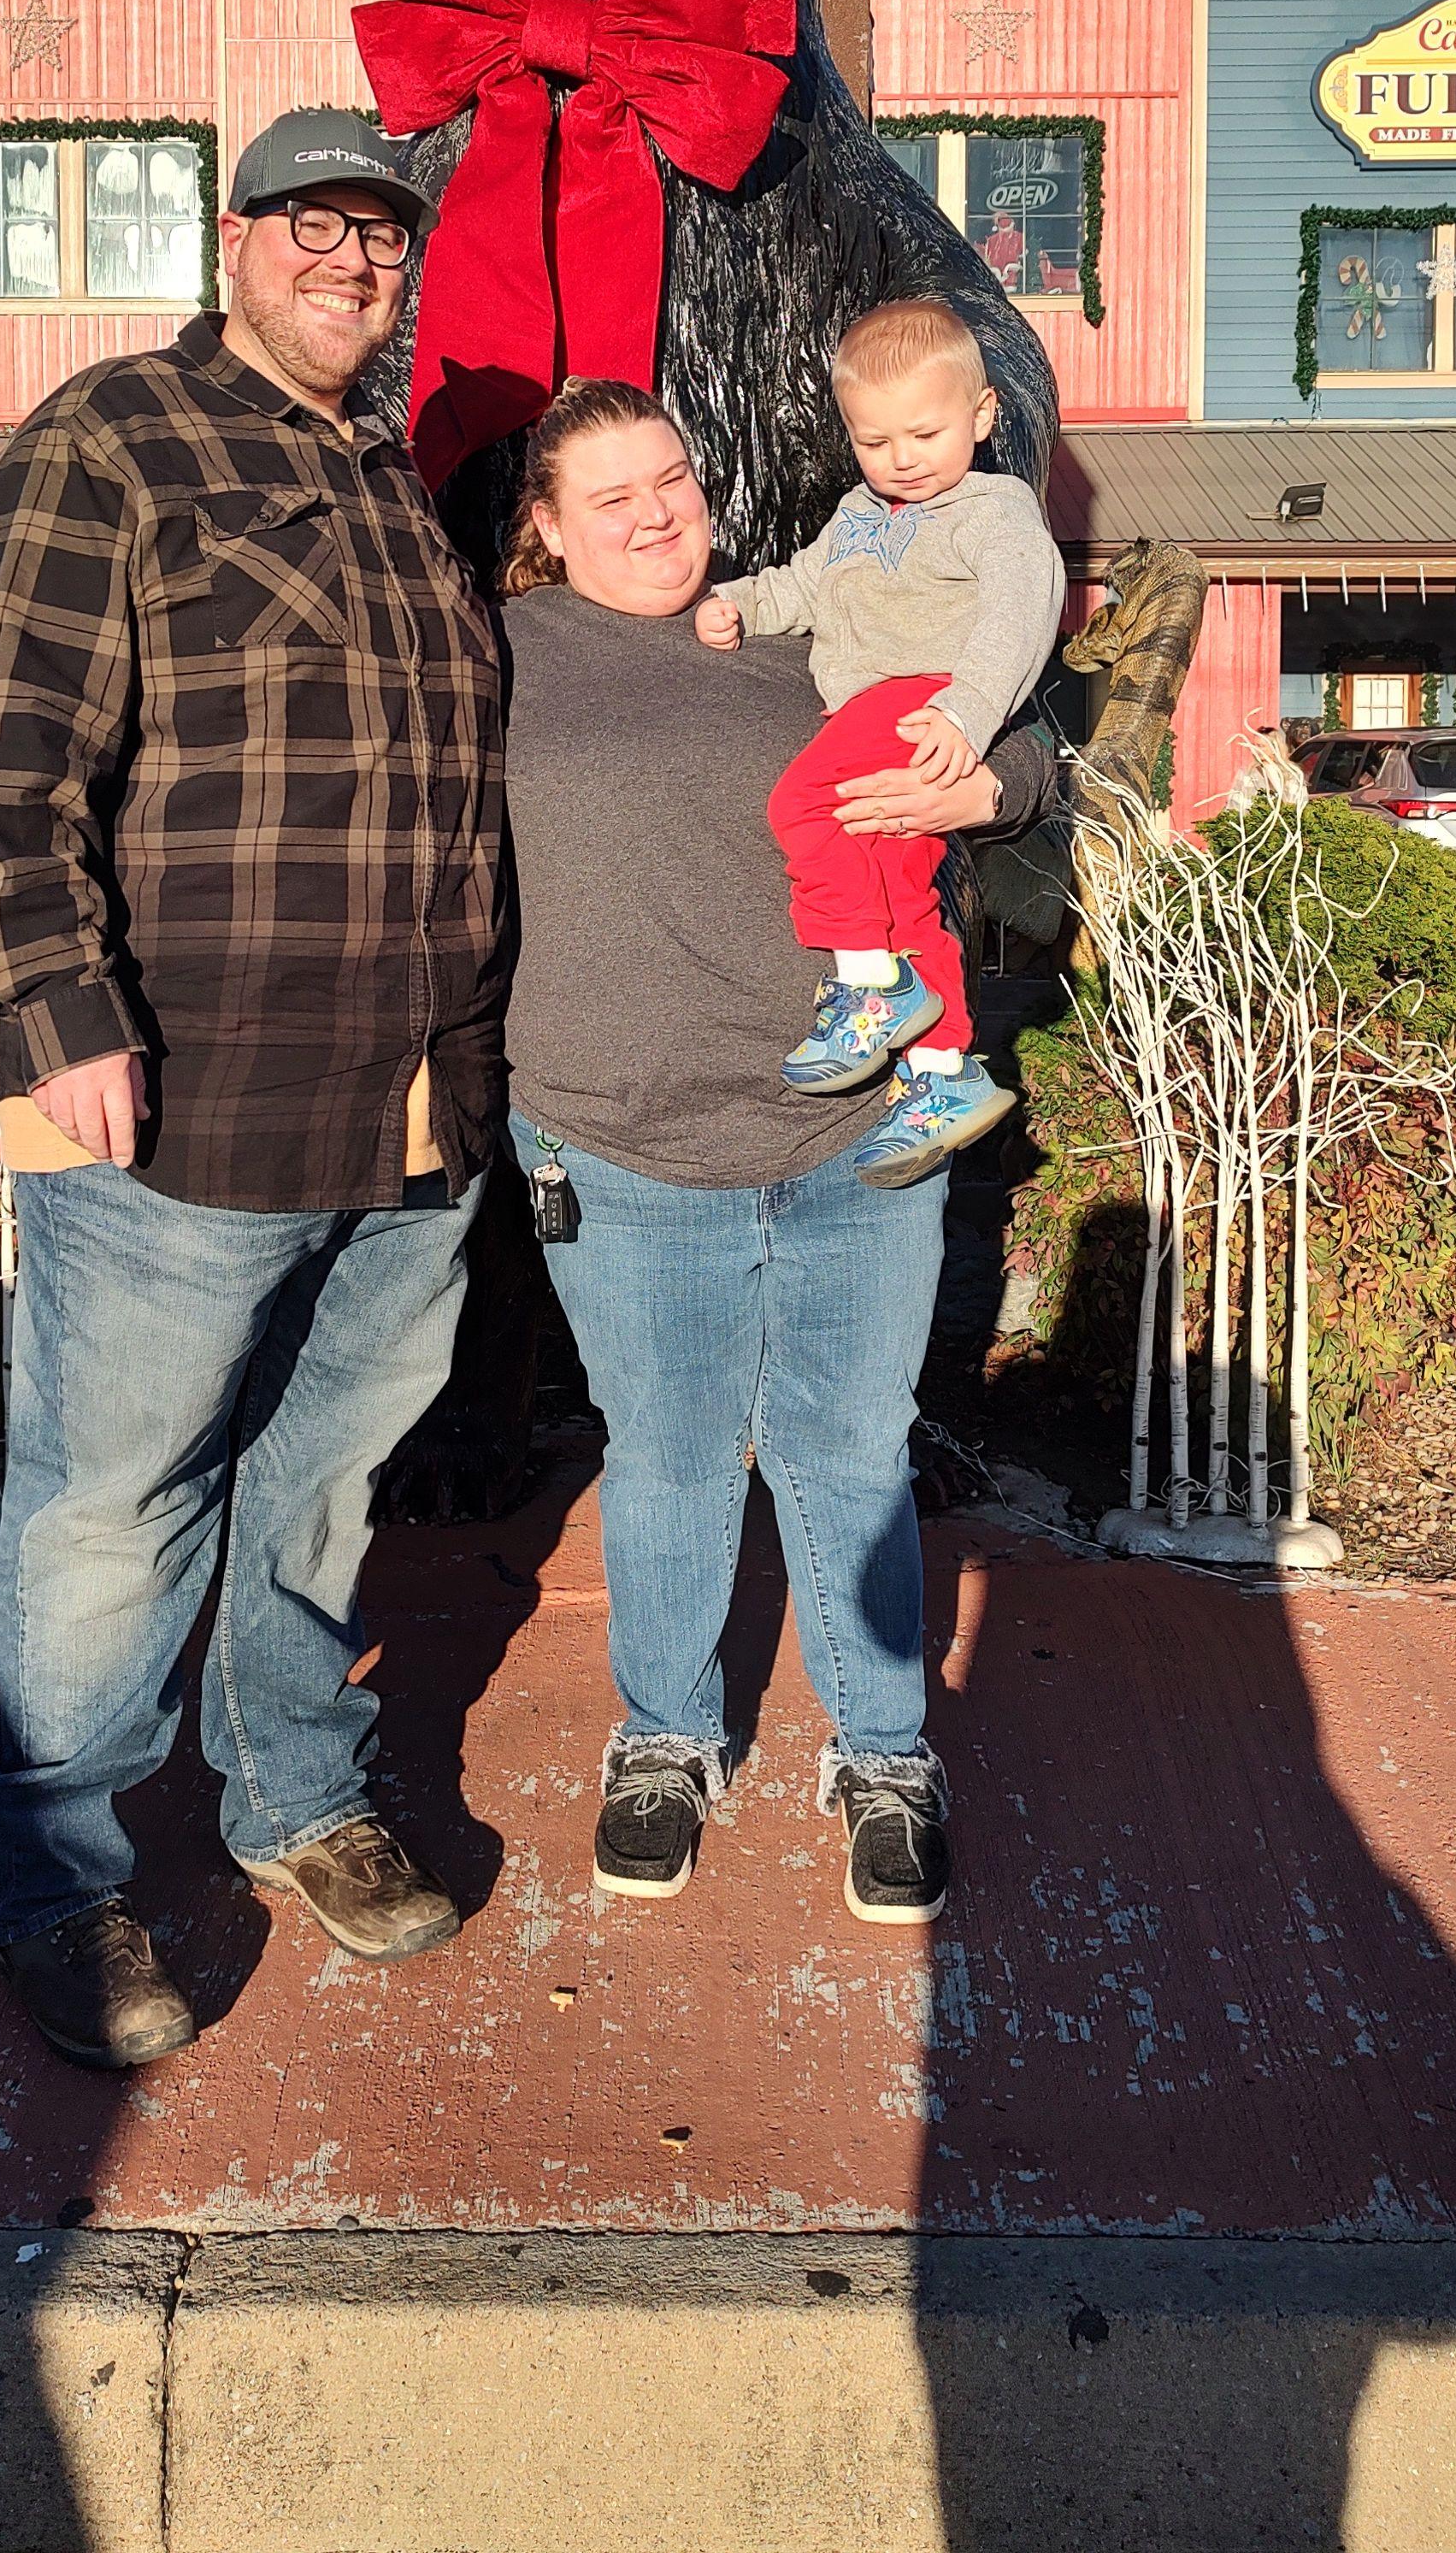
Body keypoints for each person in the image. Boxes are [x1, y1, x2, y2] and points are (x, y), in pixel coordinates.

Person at [0, 108, 509, 2073]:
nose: (351, 261)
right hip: (175, 1097)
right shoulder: (112, 438)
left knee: (323, 1473)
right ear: (236, 238)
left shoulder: (396, 487)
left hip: (410, 1107)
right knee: (114, 1503)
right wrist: (55, 1005)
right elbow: (5, 748)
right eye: (311, 226)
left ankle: (295, 1792)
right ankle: (53, 1876)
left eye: (379, 236)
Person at [498, 378, 1059, 1929]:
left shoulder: (804, 622)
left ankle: (882, 1753)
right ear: (547, 528)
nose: (655, 514)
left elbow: (1027, 732)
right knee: (668, 1453)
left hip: (857, 1128)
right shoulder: (500, 652)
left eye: (671, 479)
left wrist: (992, 781)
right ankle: (667, 1737)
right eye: (610, 496)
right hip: (622, 1137)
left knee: (850, 1449)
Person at [695, 296, 1066, 1182]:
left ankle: (868, 985)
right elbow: (803, 586)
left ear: (982, 416)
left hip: (920, 700)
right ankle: (943, 1072)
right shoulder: (858, 514)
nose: (902, 458)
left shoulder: (994, 511)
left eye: (924, 433)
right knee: (902, 897)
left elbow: (1024, 608)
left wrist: (968, 710)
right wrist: (737, 601)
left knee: (801, 807)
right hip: (883, 712)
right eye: (875, 440)